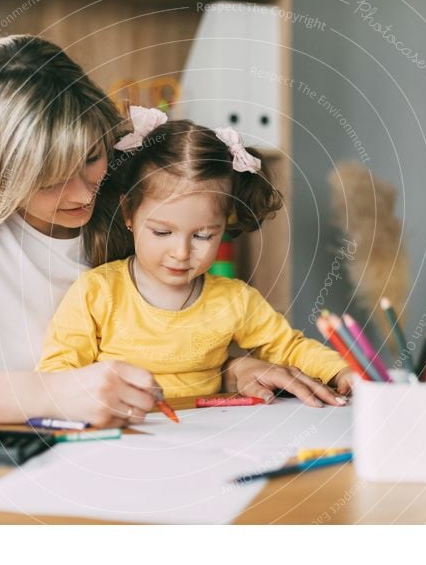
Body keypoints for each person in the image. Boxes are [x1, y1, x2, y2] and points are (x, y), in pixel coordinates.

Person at [0, 36, 336, 428]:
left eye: (90, 156)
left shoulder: (123, 199)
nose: (82, 195)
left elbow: (165, 332)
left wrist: (231, 368)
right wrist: (53, 393)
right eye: (47, 179)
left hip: (141, 443)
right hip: (8, 451)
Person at [37, 107, 354, 405]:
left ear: (224, 225)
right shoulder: (97, 292)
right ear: (128, 213)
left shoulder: (234, 300)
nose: (182, 253)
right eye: (162, 233)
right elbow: (56, 374)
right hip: (122, 436)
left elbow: (289, 347)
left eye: (203, 235)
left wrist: (342, 371)